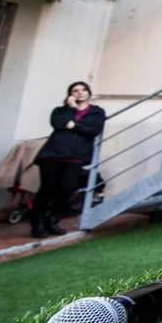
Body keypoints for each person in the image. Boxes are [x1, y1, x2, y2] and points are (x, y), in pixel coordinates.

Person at [32, 81, 105, 238]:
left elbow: (94, 130)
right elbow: (57, 124)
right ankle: (37, 222)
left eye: (83, 90)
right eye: (75, 90)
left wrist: (73, 126)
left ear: (88, 93)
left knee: (67, 188)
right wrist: (71, 109)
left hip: (76, 156)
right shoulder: (60, 111)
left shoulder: (97, 112)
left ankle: (52, 219)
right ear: (70, 94)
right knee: (47, 188)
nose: (79, 93)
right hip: (52, 153)